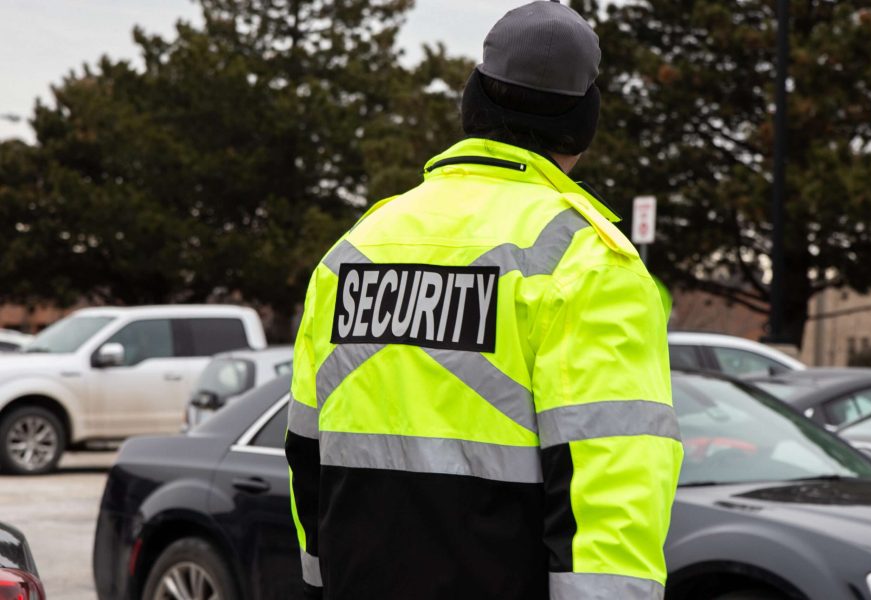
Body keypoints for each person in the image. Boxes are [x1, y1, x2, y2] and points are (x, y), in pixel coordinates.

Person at [285, 2, 683, 599]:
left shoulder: (357, 247)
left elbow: (306, 448)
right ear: (583, 124)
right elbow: (611, 487)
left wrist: (321, 579)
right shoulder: (586, 259)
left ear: (472, 102)